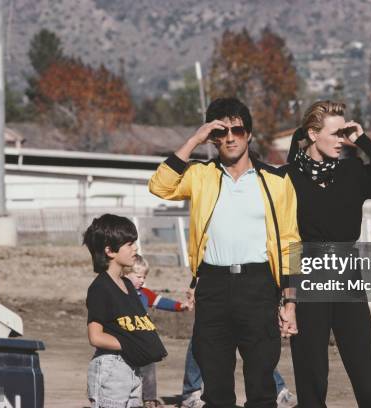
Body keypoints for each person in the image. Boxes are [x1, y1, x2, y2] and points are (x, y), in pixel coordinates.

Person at [149, 97, 300, 408]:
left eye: (238, 130)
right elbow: (159, 186)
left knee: (261, 385)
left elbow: (290, 242)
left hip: (259, 286)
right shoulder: (200, 175)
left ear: (250, 134)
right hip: (213, 287)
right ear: (212, 138)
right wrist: (193, 140)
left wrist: (290, 300)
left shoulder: (275, 181)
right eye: (221, 132)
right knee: (216, 388)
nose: (230, 138)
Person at [284, 101, 371, 408]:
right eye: (336, 133)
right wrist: (287, 295)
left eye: (345, 133)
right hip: (307, 275)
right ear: (313, 134)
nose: (342, 140)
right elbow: (284, 239)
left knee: (366, 380)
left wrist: (364, 139)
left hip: (347, 275)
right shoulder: (288, 177)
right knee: (312, 382)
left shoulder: (352, 171)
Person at [84, 214, 168, 408]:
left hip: (132, 368)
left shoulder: (129, 286)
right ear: (110, 251)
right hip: (111, 369)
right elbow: (95, 337)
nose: (135, 248)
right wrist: (131, 344)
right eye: (129, 244)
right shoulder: (100, 288)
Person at [125, 255, 191, 408]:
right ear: (125, 273)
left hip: (143, 343)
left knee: (148, 370)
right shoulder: (119, 292)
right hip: (125, 341)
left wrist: (181, 306)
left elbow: (161, 301)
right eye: (138, 276)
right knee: (127, 374)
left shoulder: (145, 293)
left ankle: (149, 400)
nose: (142, 280)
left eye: (144, 277)